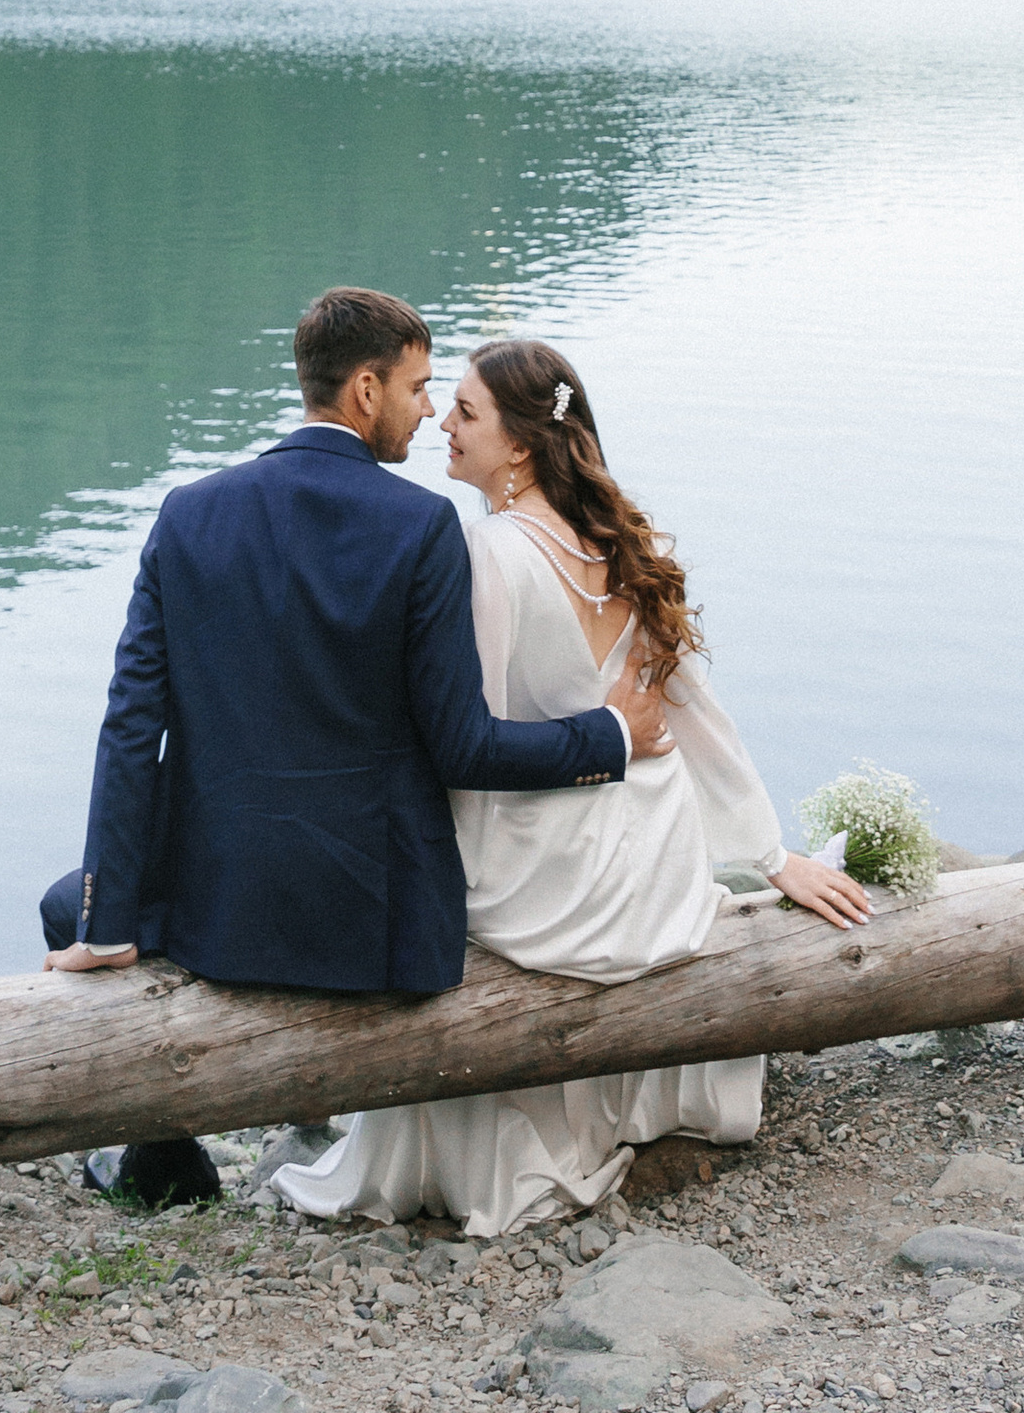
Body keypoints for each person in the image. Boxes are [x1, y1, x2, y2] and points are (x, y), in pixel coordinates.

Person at [272, 334, 866, 1236]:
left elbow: (469, 744)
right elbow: (697, 717)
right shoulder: (618, 543)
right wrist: (769, 854)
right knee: (643, 783)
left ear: (517, 445)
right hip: (651, 877)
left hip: (550, 881)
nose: (442, 422)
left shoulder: (488, 554)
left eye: (465, 411)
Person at [41, 286, 671, 1015]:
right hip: (377, 926)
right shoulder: (423, 525)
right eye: (419, 388)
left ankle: (166, 1135)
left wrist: (109, 922)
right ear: (365, 391)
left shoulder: (189, 512)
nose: (429, 411)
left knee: (68, 907)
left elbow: (129, 728)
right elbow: (462, 750)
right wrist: (611, 734)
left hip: (217, 906)